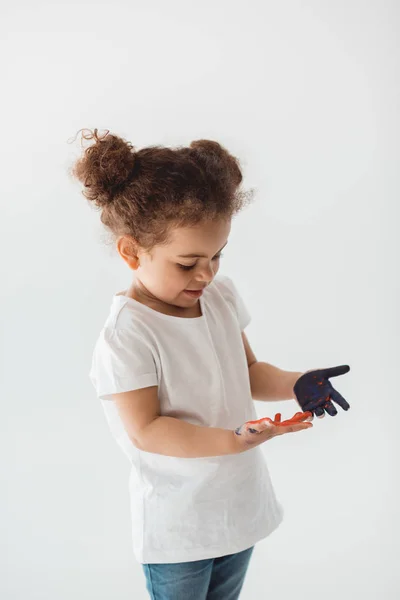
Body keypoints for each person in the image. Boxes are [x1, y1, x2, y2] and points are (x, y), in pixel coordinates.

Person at [69, 128, 350, 600]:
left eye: (218, 255)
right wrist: (233, 439)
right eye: (188, 263)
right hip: (179, 522)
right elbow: (147, 429)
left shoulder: (217, 297)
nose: (207, 273)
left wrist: (297, 383)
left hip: (238, 504)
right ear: (131, 251)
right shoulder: (128, 334)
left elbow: (248, 370)